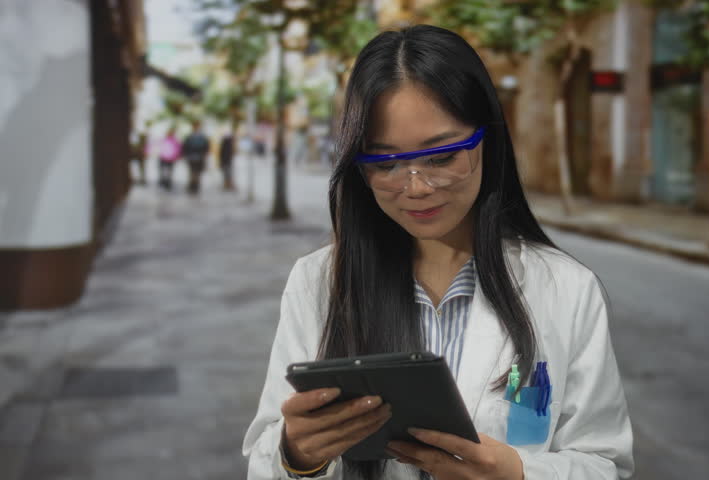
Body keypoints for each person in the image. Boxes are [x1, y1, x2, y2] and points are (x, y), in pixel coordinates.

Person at [243, 25, 633, 480]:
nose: (417, 187)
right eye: (385, 163)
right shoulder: (319, 281)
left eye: (442, 156)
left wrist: (519, 474)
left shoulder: (565, 288)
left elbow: (606, 464)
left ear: (487, 138)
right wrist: (297, 455)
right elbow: (266, 457)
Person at [182, 121, 210, 194]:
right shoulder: (190, 137)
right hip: (191, 157)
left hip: (199, 157)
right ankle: (192, 185)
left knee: (197, 172)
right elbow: (185, 147)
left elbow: (206, 148)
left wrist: (204, 155)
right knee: (192, 172)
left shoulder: (202, 137)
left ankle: (195, 185)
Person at [157, 126, 181, 190]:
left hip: (169, 158)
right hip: (165, 158)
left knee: (167, 171)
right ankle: (165, 181)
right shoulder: (167, 140)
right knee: (165, 171)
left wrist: (177, 155)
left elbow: (178, 149)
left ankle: (167, 182)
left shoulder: (173, 140)